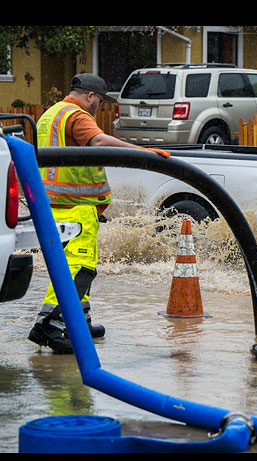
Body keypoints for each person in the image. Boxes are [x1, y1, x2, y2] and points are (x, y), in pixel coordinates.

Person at [28, 73, 168, 354]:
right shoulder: (77, 115)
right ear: (89, 95)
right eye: (100, 101)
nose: (100, 107)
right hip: (74, 205)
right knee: (79, 267)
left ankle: (78, 322)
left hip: (53, 203)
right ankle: (50, 325)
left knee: (69, 263)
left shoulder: (51, 114)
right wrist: (142, 152)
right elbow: (99, 142)